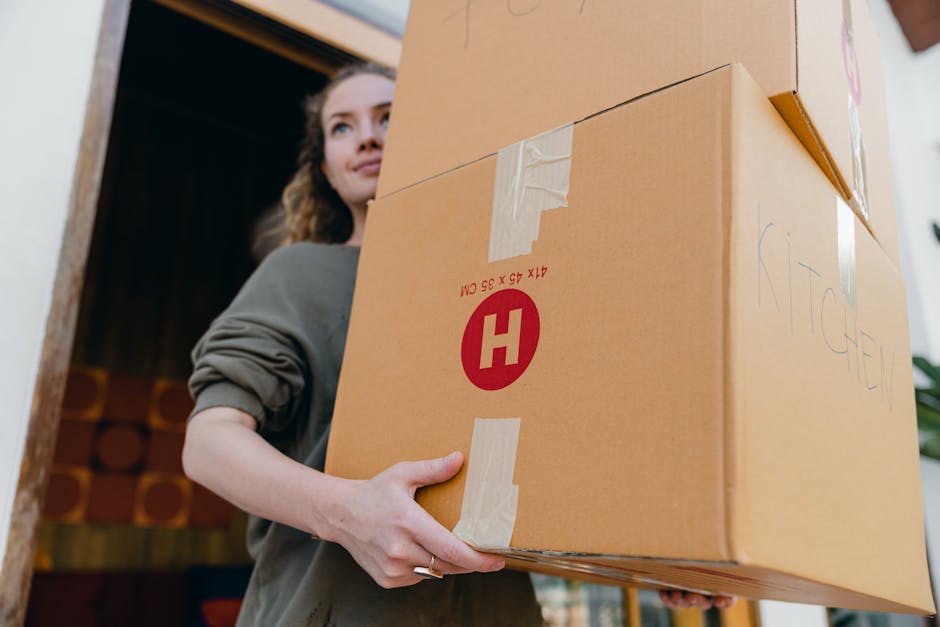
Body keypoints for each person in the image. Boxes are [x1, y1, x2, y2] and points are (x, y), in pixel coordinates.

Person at [183, 62, 731, 626]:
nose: (367, 135)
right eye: (341, 127)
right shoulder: (298, 273)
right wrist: (346, 512)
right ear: (325, 167)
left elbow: (556, 461)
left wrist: (660, 552)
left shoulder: (499, 273)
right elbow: (208, 443)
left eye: (388, 116)